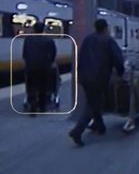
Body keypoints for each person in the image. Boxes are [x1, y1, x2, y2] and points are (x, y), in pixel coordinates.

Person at [69, 19, 124, 147]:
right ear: (106, 28)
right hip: (99, 77)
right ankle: (77, 131)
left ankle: (99, 125)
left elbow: (81, 57)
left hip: (85, 76)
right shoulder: (108, 40)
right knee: (93, 104)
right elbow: (118, 59)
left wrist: (79, 75)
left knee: (94, 101)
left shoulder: (88, 39)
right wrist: (120, 72)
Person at [22, 22, 57, 114]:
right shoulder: (49, 40)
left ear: (34, 29)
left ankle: (32, 105)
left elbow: (25, 53)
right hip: (44, 67)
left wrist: (28, 62)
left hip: (31, 67)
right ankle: (42, 107)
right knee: (43, 87)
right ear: (43, 29)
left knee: (31, 87)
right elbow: (53, 53)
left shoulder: (28, 39)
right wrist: (49, 62)